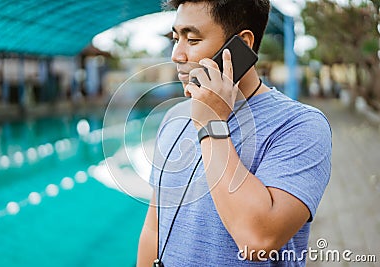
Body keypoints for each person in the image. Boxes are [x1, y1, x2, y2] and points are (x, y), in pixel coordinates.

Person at [137, 0, 332, 266]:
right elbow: (154, 229)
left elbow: (258, 240)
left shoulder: (301, 126)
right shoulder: (174, 118)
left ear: (242, 45)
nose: (176, 54)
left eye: (192, 40)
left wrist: (212, 125)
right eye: (175, 38)